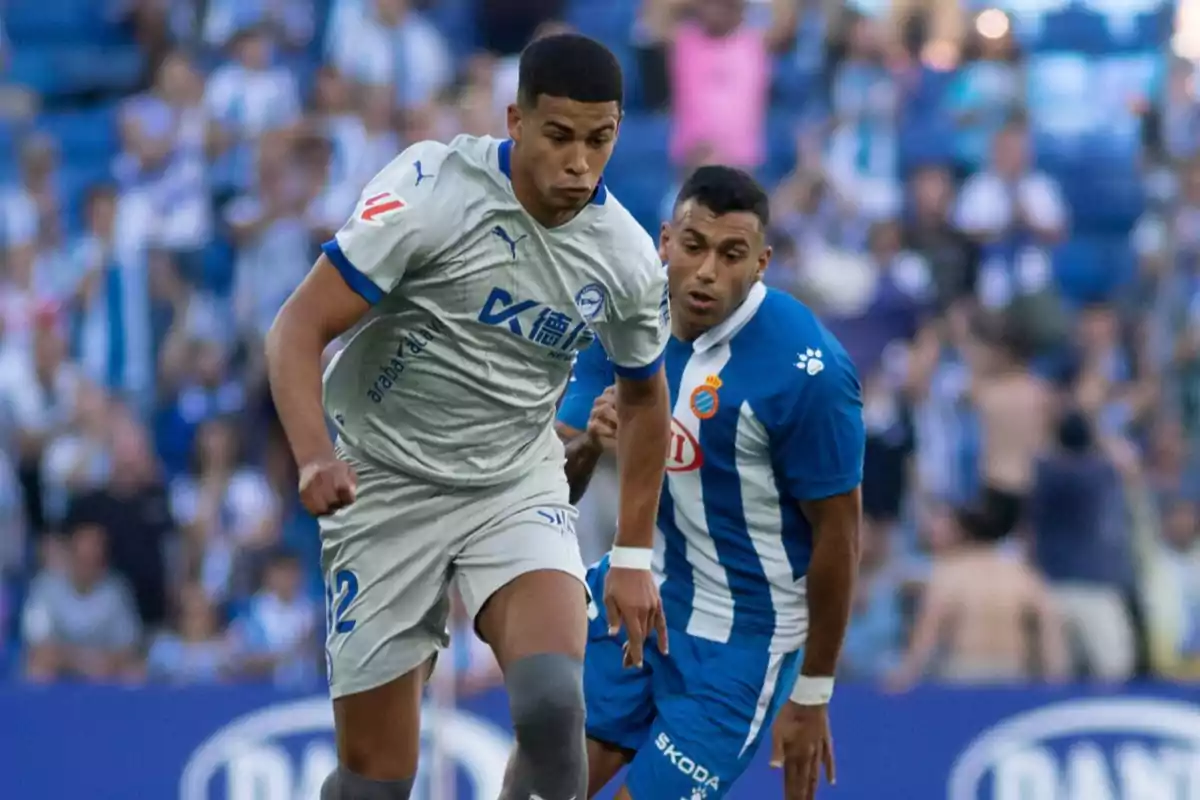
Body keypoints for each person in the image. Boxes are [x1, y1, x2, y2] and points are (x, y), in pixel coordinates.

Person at [265, 33, 674, 800]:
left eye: (601, 139)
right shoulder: (431, 192)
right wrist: (315, 455)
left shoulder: (623, 256)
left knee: (555, 708)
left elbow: (649, 400)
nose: (580, 163)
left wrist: (631, 557)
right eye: (559, 137)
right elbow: (296, 327)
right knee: (375, 783)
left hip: (511, 482)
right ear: (516, 120)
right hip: (380, 481)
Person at [557, 166, 865, 800]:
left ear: (762, 263)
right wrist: (589, 443)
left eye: (732, 255)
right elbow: (553, 490)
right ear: (665, 240)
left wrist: (813, 690)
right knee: (542, 780)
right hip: (636, 592)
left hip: (741, 643)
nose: (706, 272)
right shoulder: (622, 316)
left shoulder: (808, 370)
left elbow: (840, 537)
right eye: (694, 247)